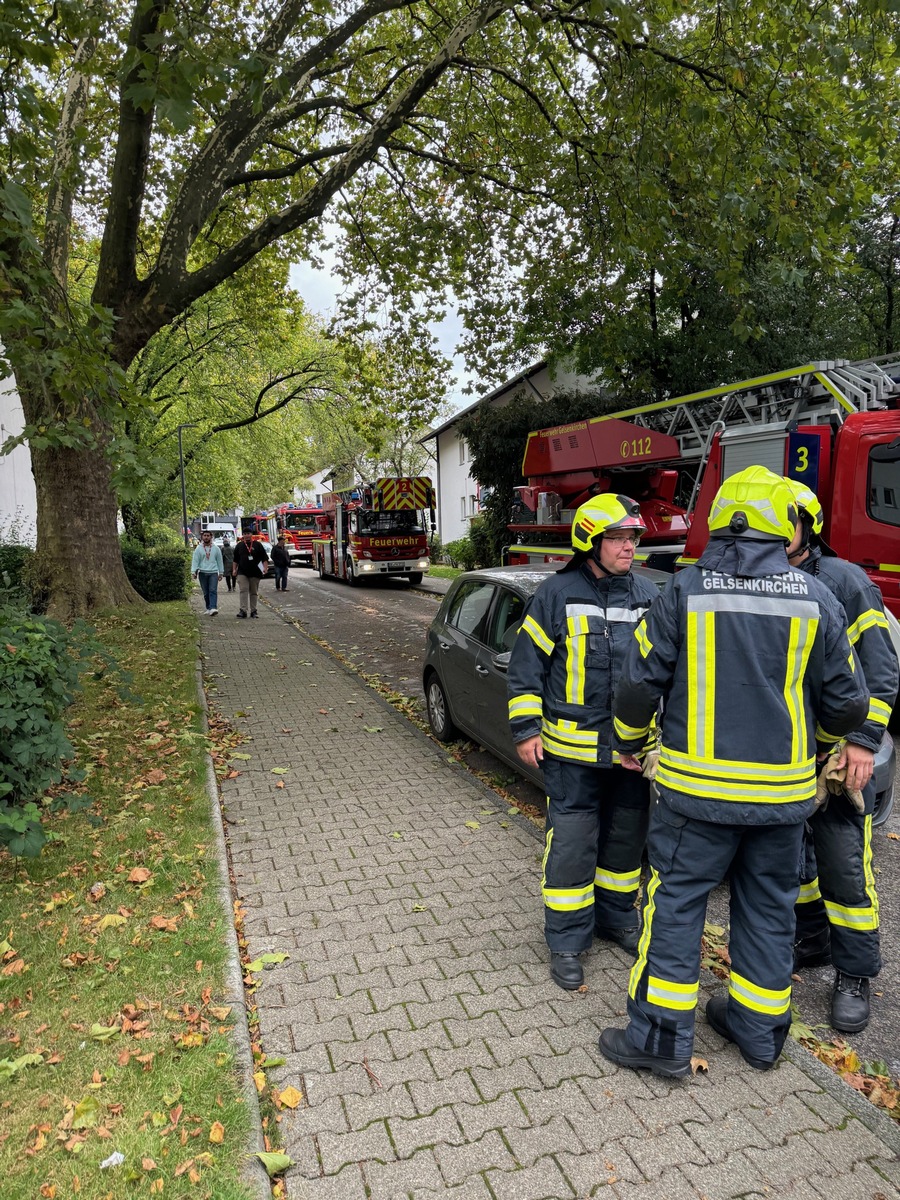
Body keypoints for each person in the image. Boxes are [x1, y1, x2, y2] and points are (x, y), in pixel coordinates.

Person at [598, 466, 868, 1078]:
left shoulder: (685, 590)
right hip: (783, 798)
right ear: (782, 523)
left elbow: (639, 685)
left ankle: (661, 1040)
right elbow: (849, 705)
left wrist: (633, 743)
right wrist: (821, 745)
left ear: (720, 520)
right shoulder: (816, 597)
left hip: (696, 799)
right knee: (770, 906)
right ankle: (759, 1030)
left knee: (677, 906)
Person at [507, 494, 661, 991]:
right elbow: (527, 669)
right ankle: (568, 940)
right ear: (590, 542)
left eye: (633, 538)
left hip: (632, 752)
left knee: (624, 844)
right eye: (617, 538)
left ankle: (615, 918)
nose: (628, 548)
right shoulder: (555, 594)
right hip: (571, 755)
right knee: (572, 848)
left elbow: (667, 671)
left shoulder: (648, 594)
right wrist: (527, 730)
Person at [782, 476, 898, 1033]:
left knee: (846, 867)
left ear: (808, 527)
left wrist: (862, 741)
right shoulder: (766, 582)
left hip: (838, 755)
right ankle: (812, 941)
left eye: (788, 521)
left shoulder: (846, 581)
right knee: (799, 864)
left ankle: (855, 975)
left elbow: (881, 669)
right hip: (789, 758)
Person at [233, 531, 269, 618]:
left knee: (253, 592)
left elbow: (264, 558)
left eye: (248, 533)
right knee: (243, 590)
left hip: (255, 572)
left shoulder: (258, 545)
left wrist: (265, 568)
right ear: (243, 535)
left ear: (251, 535)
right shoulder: (239, 545)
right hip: (242, 572)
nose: (247, 535)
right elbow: (235, 559)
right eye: (245, 534)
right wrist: (234, 569)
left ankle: (254, 611)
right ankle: (243, 610)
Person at [191, 530, 224, 616]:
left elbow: (220, 561)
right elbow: (195, 561)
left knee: (212, 590)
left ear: (211, 537)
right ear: (202, 537)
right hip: (202, 572)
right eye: (204, 535)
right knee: (206, 592)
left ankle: (213, 607)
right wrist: (193, 572)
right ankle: (208, 608)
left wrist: (221, 572)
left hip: (213, 573)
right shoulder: (198, 549)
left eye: (208, 535)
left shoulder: (216, 549)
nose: (206, 537)